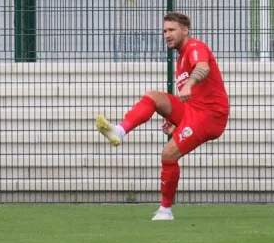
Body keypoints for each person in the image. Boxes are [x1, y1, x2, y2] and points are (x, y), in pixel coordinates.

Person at [94, 12, 229, 221]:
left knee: (168, 154)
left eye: (172, 30)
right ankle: (119, 131)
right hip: (194, 111)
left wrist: (190, 85)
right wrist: (177, 123)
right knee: (153, 97)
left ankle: (166, 210)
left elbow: (202, 67)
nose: (167, 34)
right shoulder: (180, 58)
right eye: (165, 30)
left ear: (185, 30)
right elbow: (189, 100)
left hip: (210, 116)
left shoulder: (195, 48)